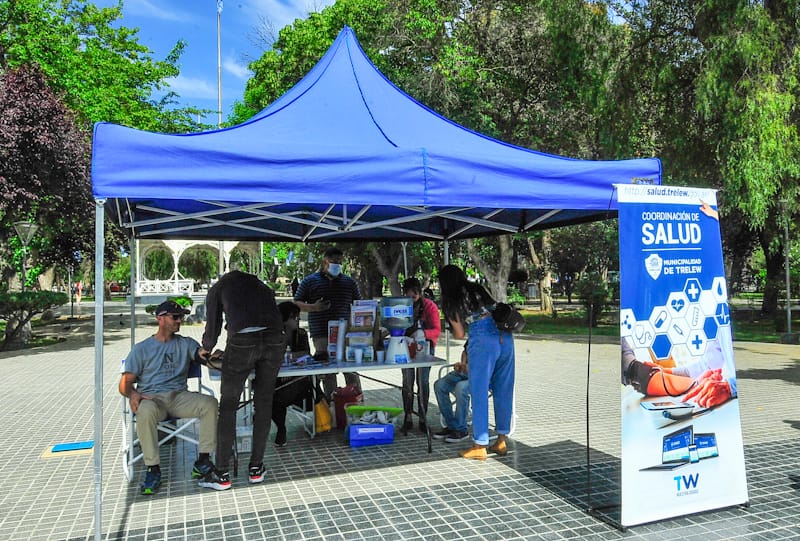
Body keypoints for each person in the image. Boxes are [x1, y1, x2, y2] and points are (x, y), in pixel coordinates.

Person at [118, 300, 219, 495]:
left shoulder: (185, 343)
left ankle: (203, 461)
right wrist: (134, 394)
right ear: (160, 318)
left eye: (181, 316)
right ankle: (152, 469)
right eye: (175, 317)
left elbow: (201, 356)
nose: (179, 320)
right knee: (144, 411)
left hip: (179, 397)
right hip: (153, 400)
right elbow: (124, 384)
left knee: (210, 403)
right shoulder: (141, 349)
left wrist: (211, 354)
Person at [201, 264, 285, 489]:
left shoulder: (219, 287)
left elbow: (213, 325)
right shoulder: (260, 284)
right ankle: (256, 468)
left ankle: (221, 474)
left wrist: (206, 348)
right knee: (264, 403)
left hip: (242, 342)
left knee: (228, 407)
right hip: (275, 339)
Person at [438, 264, 514, 460]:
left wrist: (450, 328)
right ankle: (501, 440)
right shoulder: (477, 288)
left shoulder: (450, 300)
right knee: (503, 389)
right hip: (505, 336)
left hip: (482, 339)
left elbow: (460, 333)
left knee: (478, 392)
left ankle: (480, 445)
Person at [293, 246, 361, 401]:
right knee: (328, 371)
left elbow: (358, 305)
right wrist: (314, 307)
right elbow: (296, 303)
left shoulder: (349, 282)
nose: (337, 264)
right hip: (321, 333)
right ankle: (332, 405)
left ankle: (356, 403)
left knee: (351, 370)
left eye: (339, 261)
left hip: (345, 334)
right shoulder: (309, 281)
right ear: (324, 261)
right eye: (333, 261)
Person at [400, 277, 441, 431]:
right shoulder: (402, 306)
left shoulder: (430, 306)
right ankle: (408, 415)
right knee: (407, 381)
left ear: (420, 294)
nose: (411, 300)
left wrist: (422, 333)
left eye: (414, 297)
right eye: (408, 296)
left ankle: (423, 417)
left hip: (425, 348)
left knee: (422, 382)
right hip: (405, 347)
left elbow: (437, 330)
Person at [272, 301, 314, 447]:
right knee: (272, 393)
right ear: (286, 318)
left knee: (278, 396)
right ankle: (281, 427)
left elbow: (306, 354)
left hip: (297, 379)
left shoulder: (301, 334)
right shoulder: (274, 334)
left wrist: (290, 356)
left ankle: (281, 427)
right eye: (295, 317)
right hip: (276, 378)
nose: (298, 320)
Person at [433, 342, 471, 443]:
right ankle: (452, 426)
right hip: (464, 372)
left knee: (461, 387)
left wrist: (472, 368)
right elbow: (465, 351)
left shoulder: (490, 337)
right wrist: (462, 364)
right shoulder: (474, 332)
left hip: (481, 376)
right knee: (439, 385)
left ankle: (461, 429)